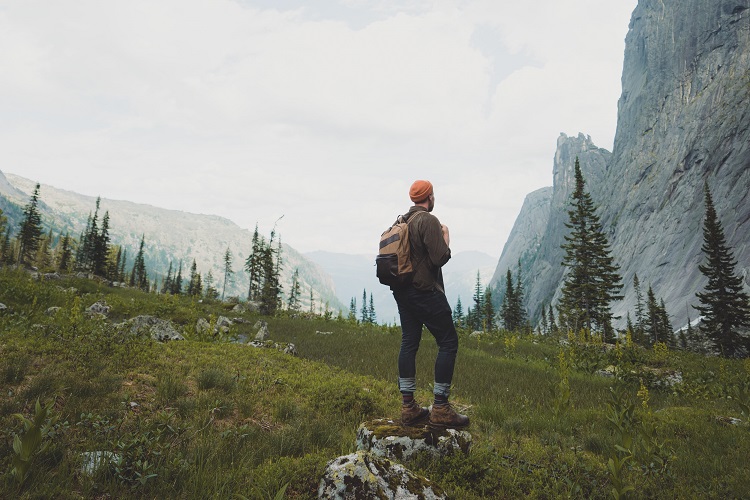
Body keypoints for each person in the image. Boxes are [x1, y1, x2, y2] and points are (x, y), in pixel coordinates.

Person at [393, 179, 469, 428]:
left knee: (409, 343)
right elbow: (439, 258)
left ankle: (408, 407)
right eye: (433, 195)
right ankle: (441, 408)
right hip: (424, 292)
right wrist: (446, 236)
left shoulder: (401, 220)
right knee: (448, 342)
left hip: (403, 292)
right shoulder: (428, 221)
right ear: (430, 198)